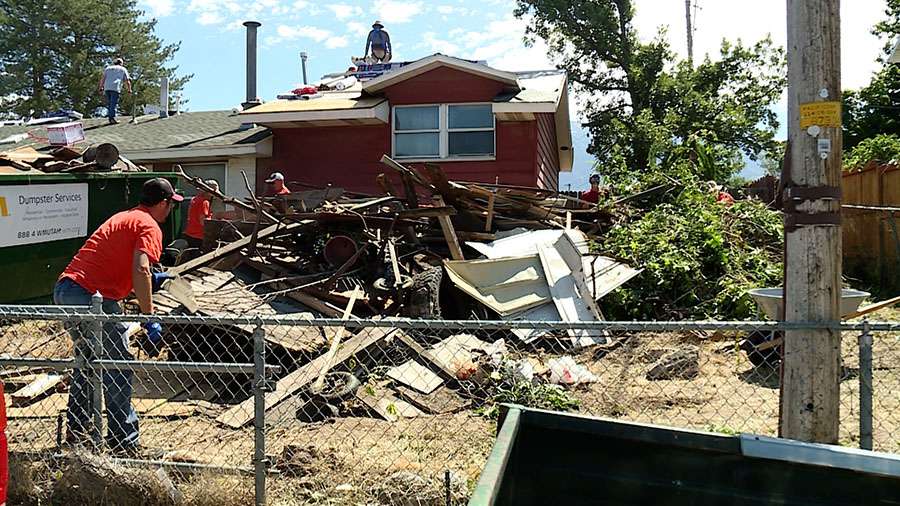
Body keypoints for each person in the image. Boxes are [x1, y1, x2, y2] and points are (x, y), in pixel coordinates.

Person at [54, 178, 182, 453]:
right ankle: (124, 443)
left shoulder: (125, 217)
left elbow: (124, 265)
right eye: (171, 204)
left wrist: (147, 280)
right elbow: (142, 269)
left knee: (88, 364)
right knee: (117, 367)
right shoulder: (149, 225)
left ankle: (80, 435)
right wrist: (149, 316)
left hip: (68, 289)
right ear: (162, 203)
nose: (170, 210)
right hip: (93, 298)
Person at [183, 180, 219, 250]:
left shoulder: (195, 199)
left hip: (190, 234)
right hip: (199, 237)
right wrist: (216, 221)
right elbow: (204, 222)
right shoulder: (204, 202)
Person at [98, 58, 132, 124]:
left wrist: (101, 88)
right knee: (113, 103)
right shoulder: (123, 69)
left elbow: (103, 79)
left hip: (107, 87)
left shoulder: (108, 68)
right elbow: (127, 81)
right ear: (121, 63)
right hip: (115, 87)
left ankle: (110, 116)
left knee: (110, 103)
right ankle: (112, 118)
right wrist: (129, 89)